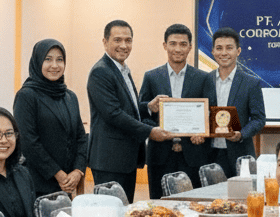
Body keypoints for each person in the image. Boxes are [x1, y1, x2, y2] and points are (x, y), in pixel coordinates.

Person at [87, 20, 171, 203]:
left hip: (125, 159)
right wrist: (150, 131)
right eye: (117, 40)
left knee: (124, 211)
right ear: (105, 42)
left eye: (128, 40)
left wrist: (148, 107)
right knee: (110, 213)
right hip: (110, 160)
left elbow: (127, 107)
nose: (124, 46)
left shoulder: (121, 69)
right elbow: (113, 114)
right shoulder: (101, 72)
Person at [138, 24, 208, 197]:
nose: (178, 49)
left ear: (190, 47)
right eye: (173, 43)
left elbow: (209, 112)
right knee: (159, 203)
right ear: (165, 45)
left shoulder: (202, 78)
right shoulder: (151, 77)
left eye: (183, 44)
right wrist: (153, 131)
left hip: (193, 155)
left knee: (193, 204)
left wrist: (202, 132)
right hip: (160, 155)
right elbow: (142, 114)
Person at [13, 38, 88, 196]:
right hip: (38, 185)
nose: (55, 65)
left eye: (59, 60)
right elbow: (28, 142)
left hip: (66, 183)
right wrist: (58, 174)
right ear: (37, 61)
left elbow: (81, 138)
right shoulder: (26, 96)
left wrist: (77, 171)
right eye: (48, 59)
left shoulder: (70, 97)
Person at [203, 27, 266, 179]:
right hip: (210, 153)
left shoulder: (251, 83)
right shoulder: (204, 80)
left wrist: (241, 134)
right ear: (213, 52)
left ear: (238, 51)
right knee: (210, 193)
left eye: (229, 48)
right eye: (219, 48)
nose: (224, 53)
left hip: (241, 154)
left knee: (242, 193)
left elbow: (259, 119)